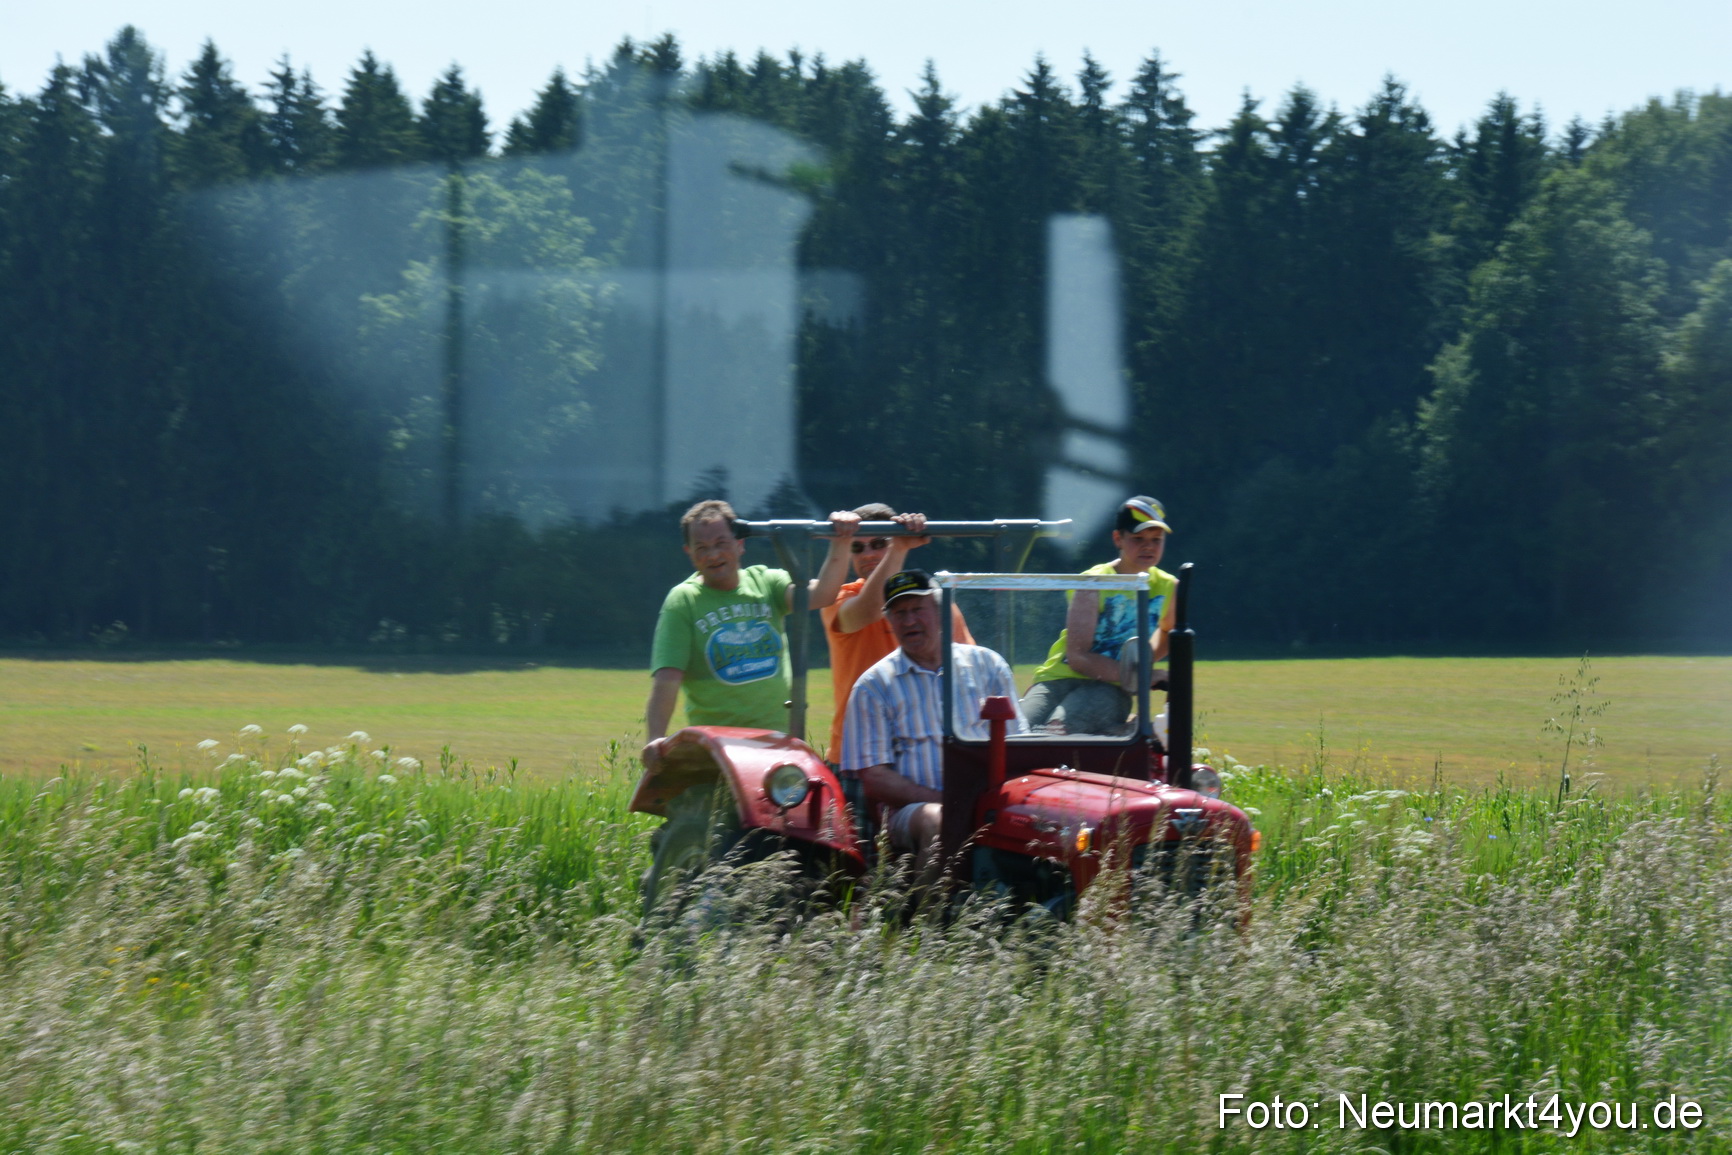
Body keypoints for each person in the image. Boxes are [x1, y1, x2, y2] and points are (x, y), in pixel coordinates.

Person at [643, 499, 856, 756]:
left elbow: (822, 594)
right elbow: (667, 678)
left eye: (721, 543)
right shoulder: (684, 601)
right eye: (702, 548)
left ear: (740, 544)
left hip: (778, 742)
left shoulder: (765, 583)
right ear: (689, 552)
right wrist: (655, 739)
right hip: (718, 749)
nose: (713, 555)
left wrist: (842, 541)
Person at [839, 569, 1026, 853]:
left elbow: (1020, 746)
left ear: (940, 613)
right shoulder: (873, 686)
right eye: (899, 613)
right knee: (937, 821)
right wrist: (946, 801)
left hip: (990, 802)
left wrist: (990, 802)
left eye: (917, 609)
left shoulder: (989, 666)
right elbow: (875, 778)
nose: (909, 621)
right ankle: (931, 886)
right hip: (910, 811)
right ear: (889, 621)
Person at [819, 503, 974, 761]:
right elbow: (870, 609)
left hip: (928, 749)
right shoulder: (839, 598)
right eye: (857, 547)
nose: (867, 554)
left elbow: (968, 669)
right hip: (859, 754)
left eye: (879, 543)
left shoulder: (937, 603)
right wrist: (898, 547)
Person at [1020, 496, 1179, 737]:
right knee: (1016, 731)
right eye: (1138, 539)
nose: (1148, 547)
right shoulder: (1093, 582)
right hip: (1057, 680)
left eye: (1156, 540)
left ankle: (1124, 735)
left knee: (1056, 732)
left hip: (1110, 687)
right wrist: (1139, 676)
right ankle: (1122, 731)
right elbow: (1078, 656)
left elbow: (1168, 631)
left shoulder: (1168, 586)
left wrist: (1140, 663)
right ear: (1118, 539)